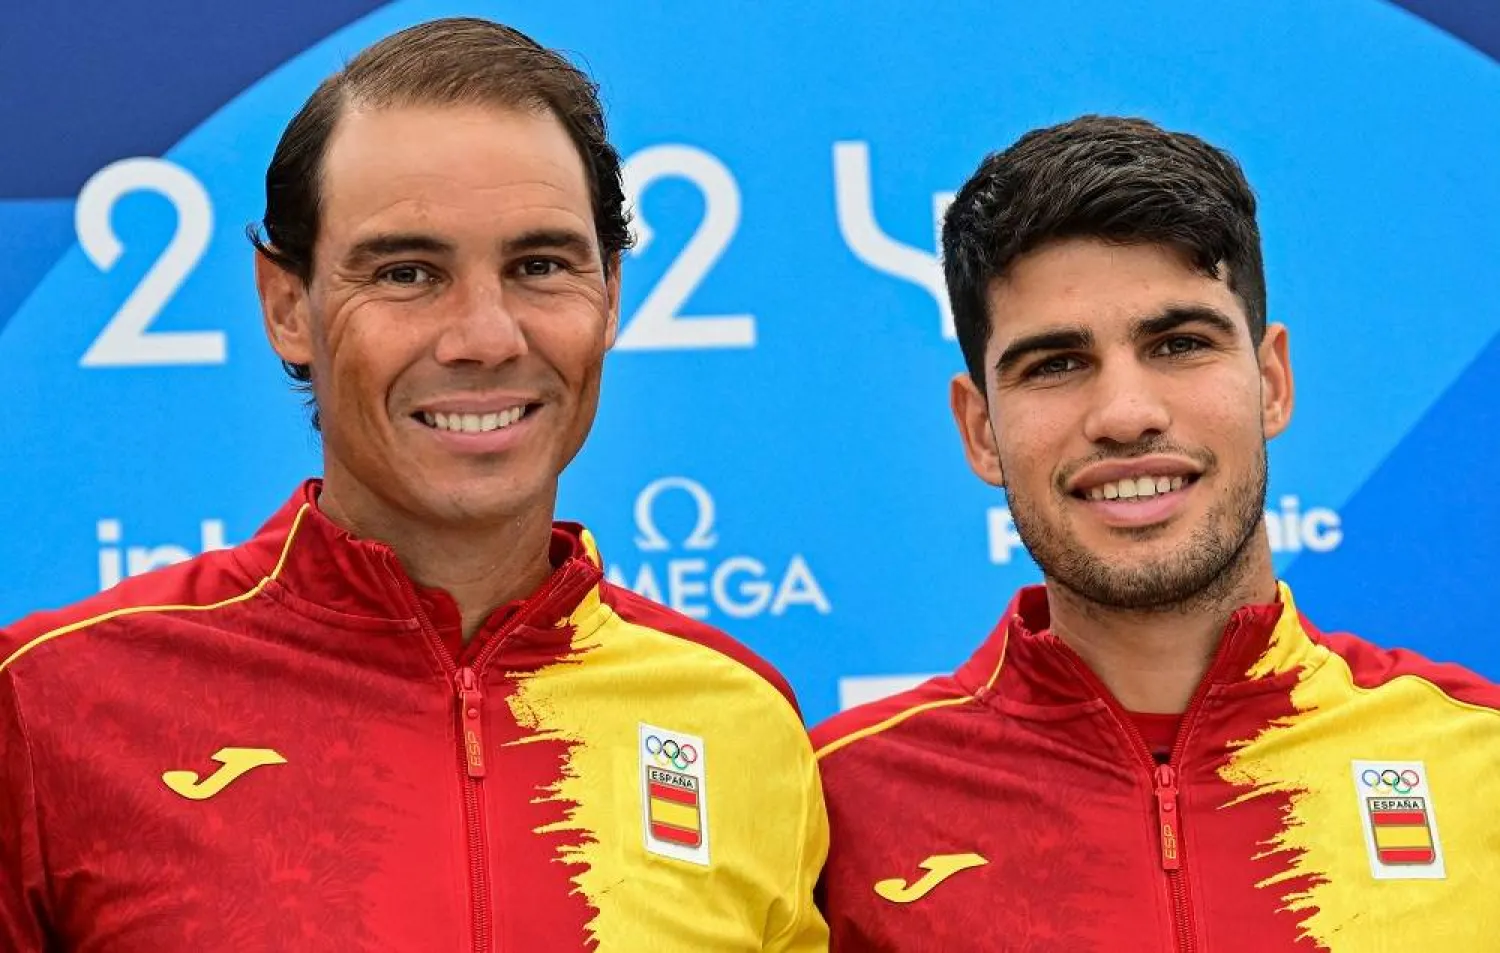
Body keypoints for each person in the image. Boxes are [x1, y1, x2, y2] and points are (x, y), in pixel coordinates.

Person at [0, 18, 827, 952]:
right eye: (407, 272)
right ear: (287, 307)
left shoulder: (742, 719)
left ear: (611, 296)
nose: (484, 334)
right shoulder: (49, 705)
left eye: (540, 266)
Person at [812, 115, 1500, 950]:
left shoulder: (1479, 764)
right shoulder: (836, 802)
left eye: (1179, 343)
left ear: (1272, 381)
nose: (1126, 414)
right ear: (981, 429)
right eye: (1056, 364)